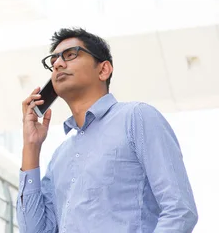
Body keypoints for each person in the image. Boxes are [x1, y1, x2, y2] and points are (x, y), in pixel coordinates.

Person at [18, 27, 198, 232]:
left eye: (70, 55)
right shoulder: (60, 157)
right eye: (53, 62)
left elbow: (180, 210)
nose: (58, 64)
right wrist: (31, 146)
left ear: (103, 70)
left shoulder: (137, 118)